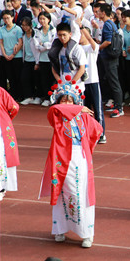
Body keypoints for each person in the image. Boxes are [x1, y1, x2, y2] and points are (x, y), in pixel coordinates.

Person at [39, 76, 103, 248]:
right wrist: (78, 109)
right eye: (64, 100)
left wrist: (87, 147)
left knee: (81, 193)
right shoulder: (57, 116)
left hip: (79, 158)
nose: (67, 103)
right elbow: (54, 110)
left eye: (70, 100)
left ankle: (86, 233)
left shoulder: (83, 118)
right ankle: (60, 229)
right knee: (61, 193)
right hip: (61, 159)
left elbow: (97, 130)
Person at [0, 86, 19, 201]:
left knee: (1, 157)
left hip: (1, 129)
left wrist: (5, 118)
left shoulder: (0, 91)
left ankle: (1, 187)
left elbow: (14, 107)